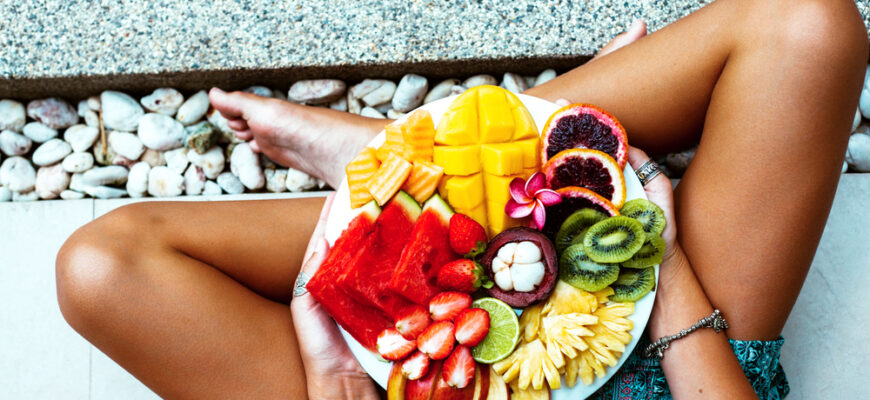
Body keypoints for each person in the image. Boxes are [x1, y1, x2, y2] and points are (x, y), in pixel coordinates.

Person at [55, 0, 867, 398]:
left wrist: (333, 367)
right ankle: (446, 167)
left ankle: (408, 182)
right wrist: (650, 243)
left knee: (104, 267)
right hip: (678, 371)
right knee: (808, 25)